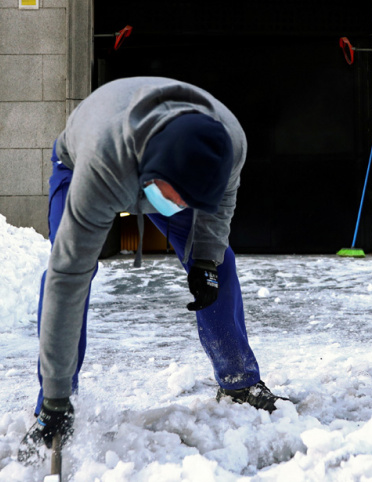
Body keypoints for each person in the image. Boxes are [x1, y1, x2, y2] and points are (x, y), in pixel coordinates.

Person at [19, 77, 287, 457]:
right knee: (70, 271)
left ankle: (238, 381)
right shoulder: (103, 165)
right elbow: (68, 278)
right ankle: (53, 406)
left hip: (160, 171)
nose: (177, 208)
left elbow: (219, 207)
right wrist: (55, 397)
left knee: (218, 261)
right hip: (85, 162)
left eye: (189, 201)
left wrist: (205, 261)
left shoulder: (228, 144)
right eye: (174, 198)